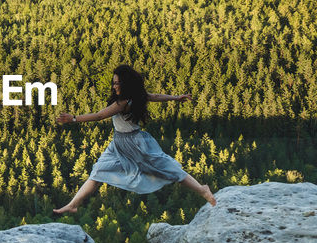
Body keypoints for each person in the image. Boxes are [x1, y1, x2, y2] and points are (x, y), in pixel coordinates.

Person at [53, 64, 217, 214]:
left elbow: (99, 115)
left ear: (126, 84)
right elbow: (155, 96)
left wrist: (73, 118)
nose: (114, 86)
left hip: (134, 144)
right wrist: (175, 98)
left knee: (167, 167)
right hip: (118, 143)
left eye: (117, 83)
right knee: (98, 171)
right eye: (114, 83)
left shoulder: (123, 102)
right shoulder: (137, 96)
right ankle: (73, 204)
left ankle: (202, 190)